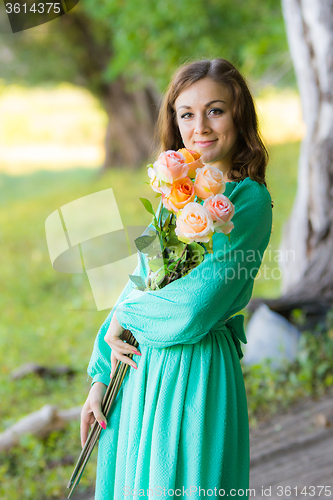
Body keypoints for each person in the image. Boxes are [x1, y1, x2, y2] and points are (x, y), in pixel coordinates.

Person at [81, 58, 273, 500]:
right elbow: (140, 278)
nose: (200, 126)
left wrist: (125, 317)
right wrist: (99, 377)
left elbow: (193, 308)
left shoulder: (247, 201)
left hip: (195, 374)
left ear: (238, 114)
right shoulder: (174, 195)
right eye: (186, 113)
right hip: (137, 371)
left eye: (216, 110)